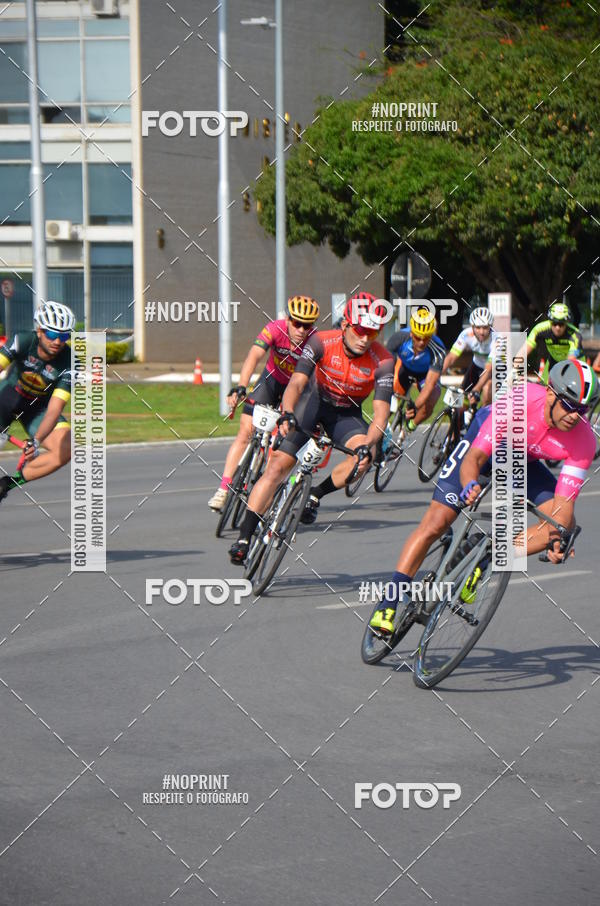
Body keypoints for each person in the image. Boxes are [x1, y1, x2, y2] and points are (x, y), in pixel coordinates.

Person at [369, 359, 599, 634]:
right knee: (437, 521)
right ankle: (390, 601)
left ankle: (490, 553)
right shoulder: (520, 400)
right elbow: (475, 457)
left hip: (523, 460)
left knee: (563, 526)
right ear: (551, 392)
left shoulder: (584, 440)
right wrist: (468, 485)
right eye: (570, 405)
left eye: (583, 409)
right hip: (485, 444)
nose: (575, 416)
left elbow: (563, 509)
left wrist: (558, 537)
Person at [228, 293, 394, 563]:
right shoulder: (321, 341)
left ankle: (316, 494)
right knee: (277, 466)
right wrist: (288, 413)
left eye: (373, 332)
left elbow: (380, 413)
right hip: (312, 402)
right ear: (345, 325)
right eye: (361, 330)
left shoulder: (383, 360)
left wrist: (368, 444)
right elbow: (295, 383)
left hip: (346, 414)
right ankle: (244, 536)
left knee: (365, 457)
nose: (365, 338)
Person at [208, 295, 320, 511]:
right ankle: (223, 489)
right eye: (296, 323)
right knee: (246, 432)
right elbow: (254, 356)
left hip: (297, 390)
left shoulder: (316, 340)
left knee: (285, 442)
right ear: (288, 319)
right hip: (271, 381)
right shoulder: (274, 329)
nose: (301, 330)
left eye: (307, 325)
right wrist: (241, 386)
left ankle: (266, 489)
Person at [0, 300, 75, 502]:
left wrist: (36, 441)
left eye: (64, 336)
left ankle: (8, 483)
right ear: (40, 331)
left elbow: (54, 408)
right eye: (52, 334)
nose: (58, 341)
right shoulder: (22, 340)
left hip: (37, 408)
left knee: (66, 448)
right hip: (7, 398)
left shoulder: (70, 361)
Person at [386, 308, 446, 433]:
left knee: (430, 402)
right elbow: (386, 366)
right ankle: (382, 431)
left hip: (425, 375)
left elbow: (429, 385)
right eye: (418, 337)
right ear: (412, 333)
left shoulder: (438, 349)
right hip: (405, 369)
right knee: (387, 400)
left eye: (426, 338)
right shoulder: (399, 338)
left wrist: (415, 406)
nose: (421, 342)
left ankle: (409, 429)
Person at [442, 306, 496, 407]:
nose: (481, 332)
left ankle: (482, 418)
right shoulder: (466, 334)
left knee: (487, 393)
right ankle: (464, 420)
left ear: (490, 326)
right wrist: (439, 373)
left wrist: (477, 388)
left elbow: (488, 370)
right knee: (461, 403)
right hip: (475, 367)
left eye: (485, 327)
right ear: (472, 326)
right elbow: (451, 357)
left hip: (492, 371)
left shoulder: (497, 340)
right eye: (478, 327)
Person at [524, 302, 583, 373]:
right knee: (546, 383)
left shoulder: (574, 334)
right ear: (550, 321)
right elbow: (524, 351)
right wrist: (515, 370)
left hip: (576, 362)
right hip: (554, 360)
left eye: (561, 324)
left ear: (566, 323)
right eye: (554, 323)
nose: (557, 328)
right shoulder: (540, 329)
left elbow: (571, 360)